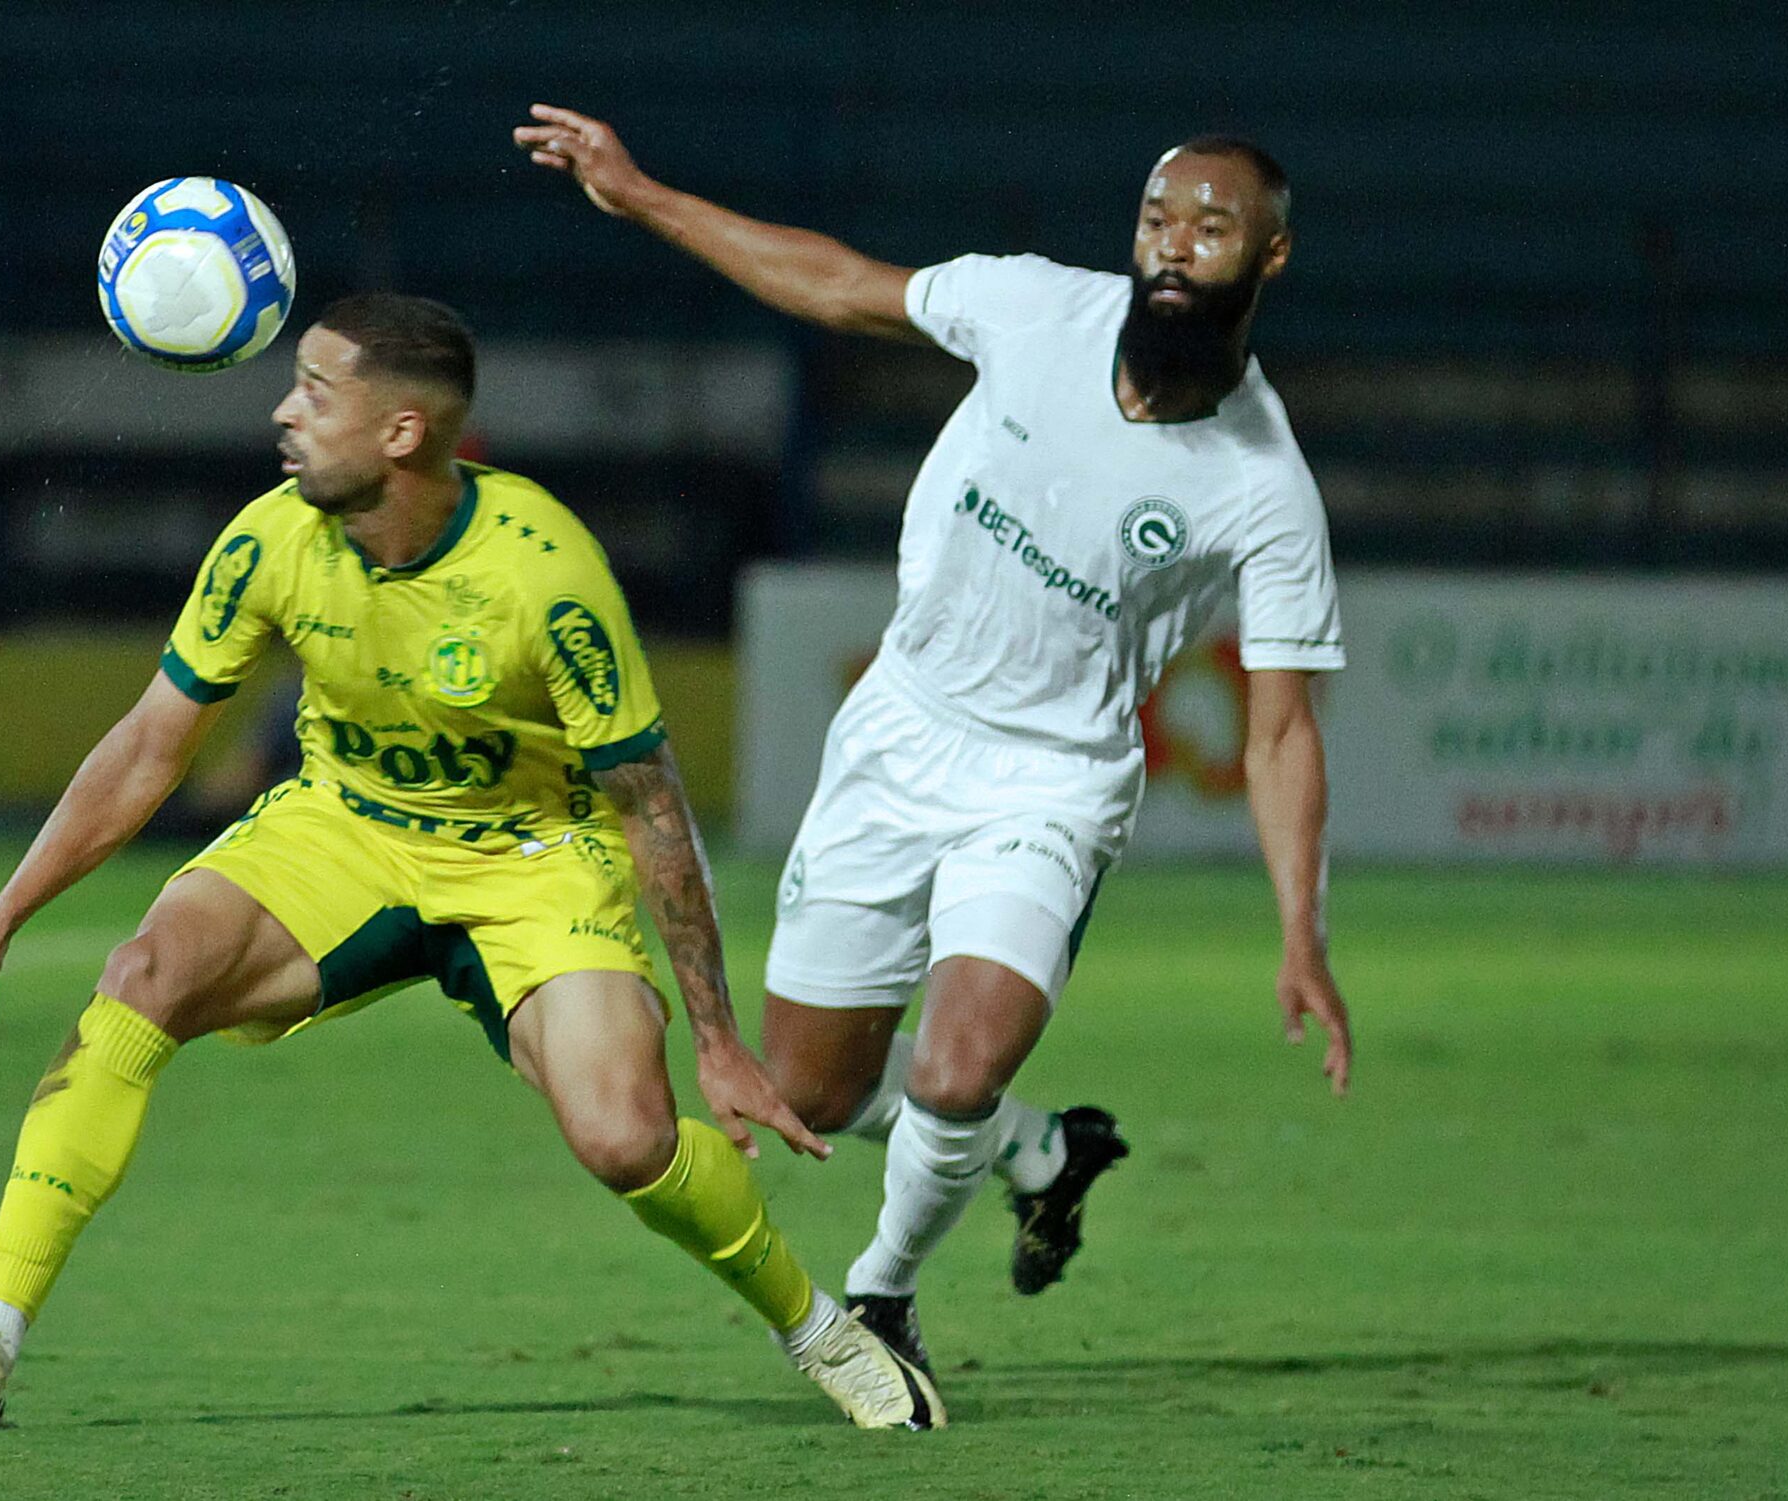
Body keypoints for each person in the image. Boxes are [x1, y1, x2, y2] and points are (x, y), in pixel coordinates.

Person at [0, 293, 947, 1431]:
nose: (283, 412)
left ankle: (819, 1329)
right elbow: (153, 740)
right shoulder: (270, 537)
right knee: (142, 978)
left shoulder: (544, 573)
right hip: (343, 832)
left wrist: (721, 1040)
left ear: (399, 433)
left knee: (624, 1137)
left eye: (316, 392)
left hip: (533, 862)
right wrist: (2, 916)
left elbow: (652, 806)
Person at [514, 105, 1354, 1376]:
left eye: (1211, 226)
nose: (1173, 246)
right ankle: (1042, 1152)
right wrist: (642, 196)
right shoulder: (1034, 310)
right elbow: (841, 284)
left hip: (1052, 782)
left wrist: (1302, 929)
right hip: (899, 736)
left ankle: (883, 1291)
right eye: (1155, 218)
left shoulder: (1262, 486)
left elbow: (1281, 731)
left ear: (1269, 259)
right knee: (805, 1092)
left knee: (957, 1061)